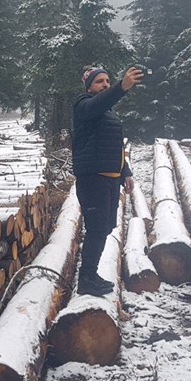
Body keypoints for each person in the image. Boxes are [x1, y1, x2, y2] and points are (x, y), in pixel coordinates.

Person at [71, 65, 145, 296]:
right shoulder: (83, 105)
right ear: (89, 86)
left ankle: (91, 275)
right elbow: (97, 103)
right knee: (96, 229)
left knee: (104, 228)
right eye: (99, 81)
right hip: (93, 180)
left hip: (111, 180)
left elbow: (115, 146)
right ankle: (86, 279)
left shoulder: (108, 112)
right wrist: (121, 86)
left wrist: (126, 172)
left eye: (107, 81)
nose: (104, 84)